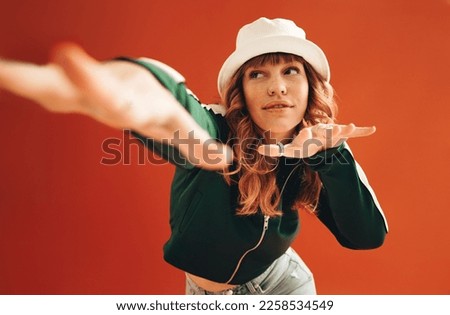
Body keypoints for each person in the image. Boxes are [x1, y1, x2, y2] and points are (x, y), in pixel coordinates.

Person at [0, 17, 388, 295]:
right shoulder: (216, 130)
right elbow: (172, 110)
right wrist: (124, 92)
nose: (277, 88)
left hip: (286, 284)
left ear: (310, 87)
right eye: (258, 75)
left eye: (290, 71)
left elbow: (366, 237)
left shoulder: (323, 145)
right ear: (240, 90)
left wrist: (330, 157)